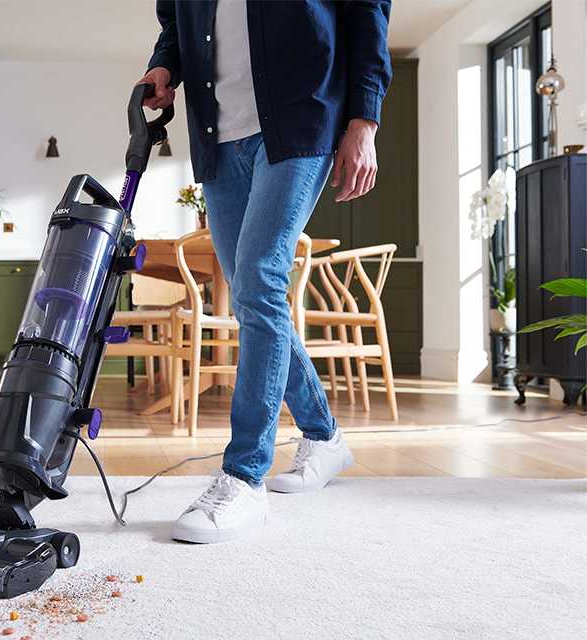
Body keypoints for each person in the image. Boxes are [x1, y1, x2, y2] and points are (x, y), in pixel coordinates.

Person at [136, 0, 392, 543]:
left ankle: (243, 476)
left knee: (257, 279)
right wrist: (165, 66)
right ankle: (323, 437)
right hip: (217, 139)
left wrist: (364, 120)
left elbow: (367, 14)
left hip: (301, 121)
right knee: (256, 294)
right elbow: (174, 25)